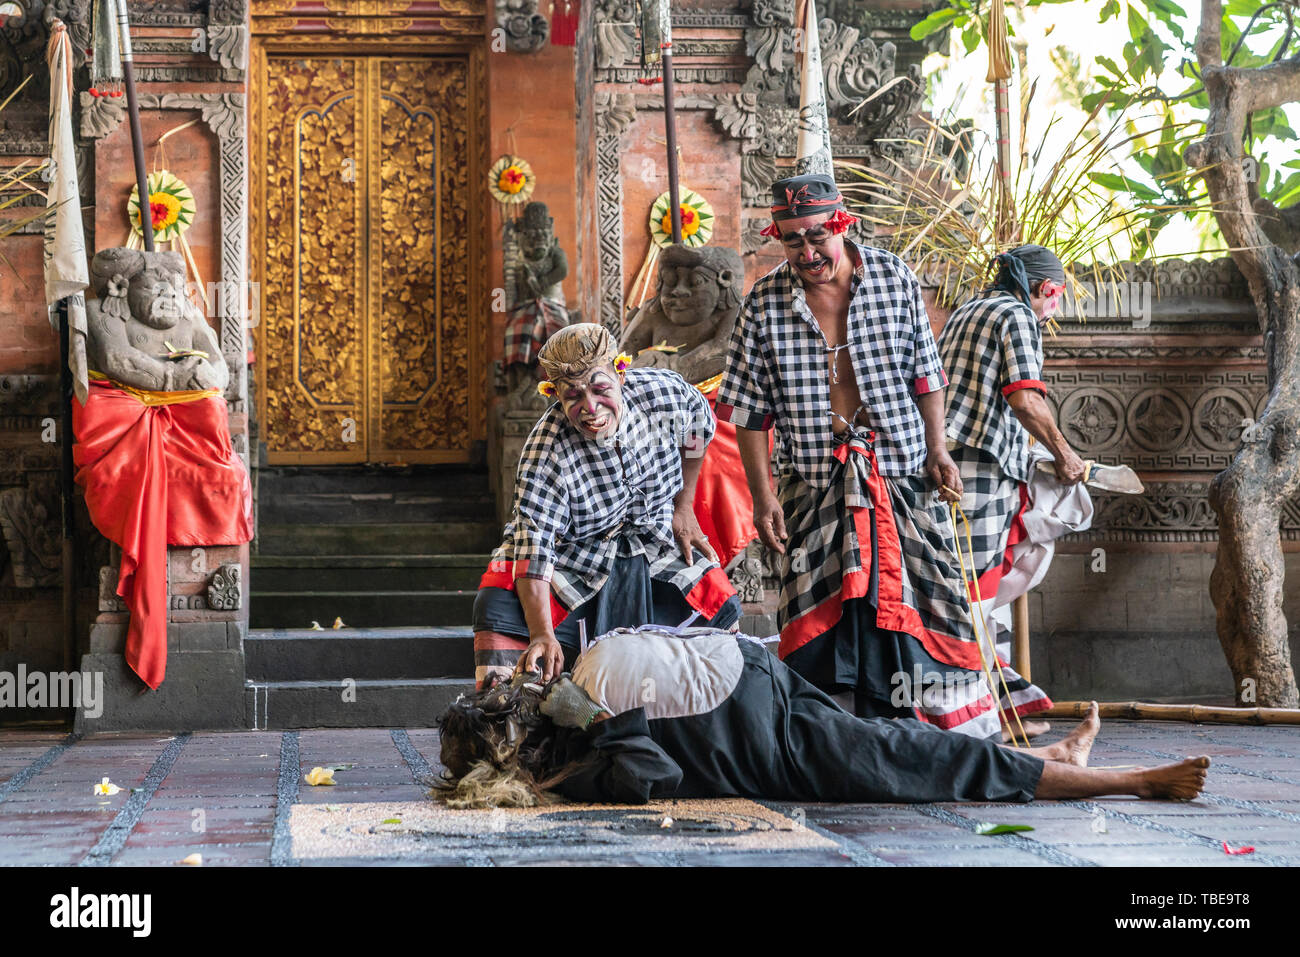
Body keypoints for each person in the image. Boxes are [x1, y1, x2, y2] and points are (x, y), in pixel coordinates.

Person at [716, 172, 1052, 739]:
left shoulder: (892, 277)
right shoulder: (765, 303)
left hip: (899, 464)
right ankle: (832, 732)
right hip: (815, 472)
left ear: (843, 226)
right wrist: (762, 495)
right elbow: (749, 410)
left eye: (818, 236)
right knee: (819, 598)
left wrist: (939, 448)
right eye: (792, 239)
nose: (807, 251)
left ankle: (936, 728)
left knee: (925, 590)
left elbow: (927, 373)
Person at [436, 626, 1211, 807]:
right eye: (503, 692)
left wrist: (558, 670)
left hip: (759, 679)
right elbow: (656, 772)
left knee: (907, 741)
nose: (512, 678)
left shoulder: (576, 677)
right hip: (773, 743)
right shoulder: (575, 763)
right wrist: (594, 717)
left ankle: (1059, 761)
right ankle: (1131, 780)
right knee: (921, 761)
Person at [472, 323, 741, 690]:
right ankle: (518, 723)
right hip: (575, 557)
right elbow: (534, 551)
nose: (591, 408)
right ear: (554, 395)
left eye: (600, 390)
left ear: (620, 371)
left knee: (719, 605)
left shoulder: (665, 394)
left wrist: (684, 506)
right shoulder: (545, 453)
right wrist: (541, 635)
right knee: (497, 606)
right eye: (574, 397)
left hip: (654, 539)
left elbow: (698, 430)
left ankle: (688, 721)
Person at [938, 246, 1095, 736]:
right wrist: (1066, 454)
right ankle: (977, 711)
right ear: (1047, 289)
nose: (1056, 309)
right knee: (976, 589)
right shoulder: (1016, 315)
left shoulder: (967, 309)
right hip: (980, 468)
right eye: (1058, 296)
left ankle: (993, 706)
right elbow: (1025, 400)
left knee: (957, 583)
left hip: (944, 460)